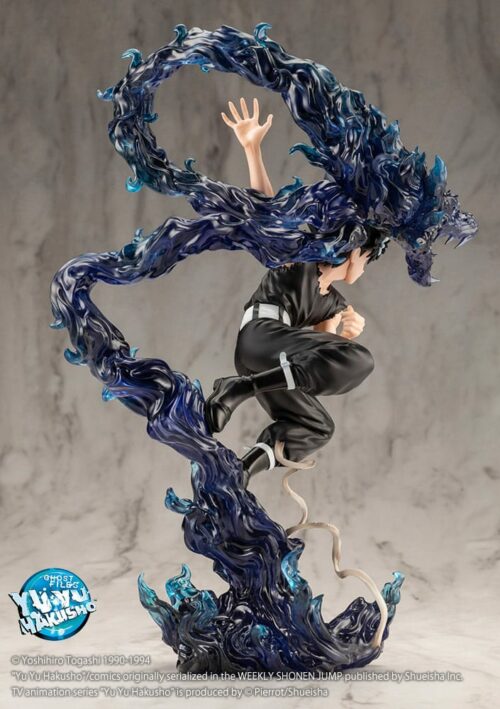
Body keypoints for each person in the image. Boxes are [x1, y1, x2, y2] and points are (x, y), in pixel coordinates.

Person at [205, 98, 389, 487]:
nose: (364, 269)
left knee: (317, 425)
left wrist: (341, 337)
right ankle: (238, 388)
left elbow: (316, 363)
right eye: (368, 260)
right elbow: (268, 215)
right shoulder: (301, 259)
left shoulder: (334, 304)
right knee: (362, 360)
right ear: (356, 252)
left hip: (273, 365)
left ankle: (239, 473)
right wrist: (252, 149)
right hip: (260, 338)